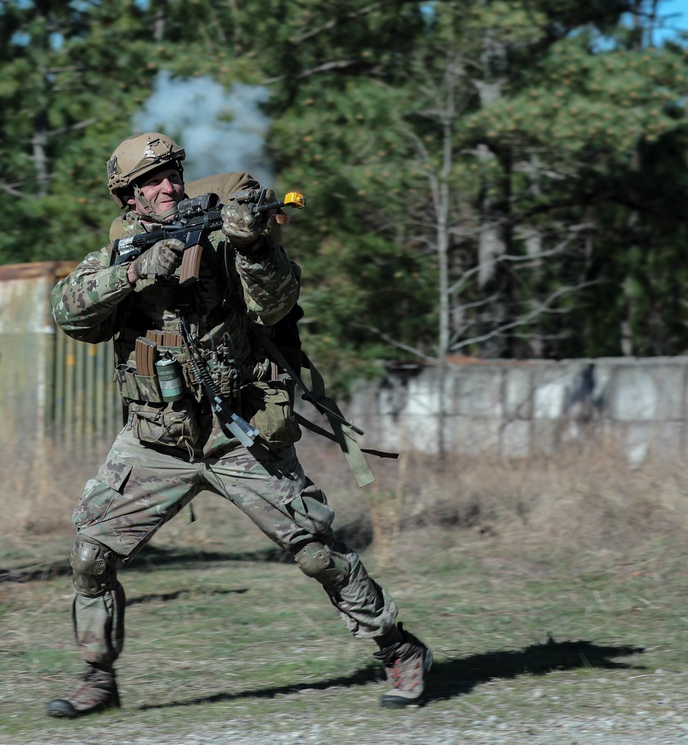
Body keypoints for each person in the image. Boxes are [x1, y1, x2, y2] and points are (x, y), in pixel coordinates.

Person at [46, 131, 430, 719]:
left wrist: (255, 247)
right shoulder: (120, 252)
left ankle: (398, 647)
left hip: (237, 432)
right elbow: (69, 312)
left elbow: (275, 305)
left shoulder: (226, 239)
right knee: (91, 556)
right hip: (157, 439)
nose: (169, 185)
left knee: (314, 549)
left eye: (174, 172)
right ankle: (97, 677)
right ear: (129, 197)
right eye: (152, 180)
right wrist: (136, 273)